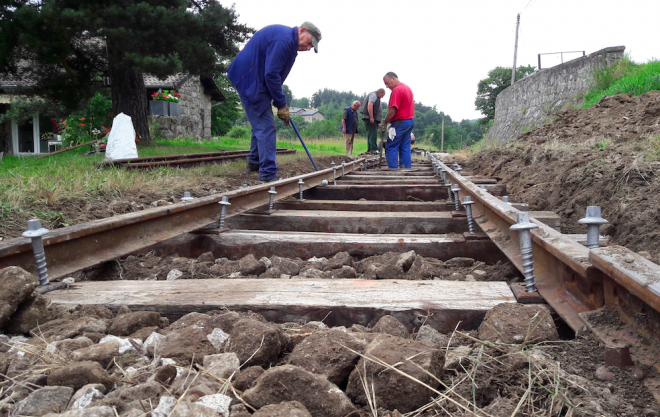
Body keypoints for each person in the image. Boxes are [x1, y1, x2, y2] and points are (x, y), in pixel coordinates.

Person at [228, 22, 322, 181]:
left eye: (311, 47)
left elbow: (273, 74)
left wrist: (278, 102)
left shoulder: (288, 42)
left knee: (260, 124)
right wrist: (281, 104)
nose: (308, 48)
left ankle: (254, 164)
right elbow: (271, 75)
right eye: (309, 43)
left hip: (255, 79)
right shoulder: (284, 40)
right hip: (251, 79)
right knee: (266, 126)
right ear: (302, 30)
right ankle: (268, 174)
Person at [381, 72, 414, 169]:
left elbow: (392, 110)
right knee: (405, 147)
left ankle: (393, 172)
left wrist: (385, 122)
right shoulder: (407, 88)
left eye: (387, 83)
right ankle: (406, 170)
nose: (386, 86)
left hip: (399, 123)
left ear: (393, 78)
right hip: (409, 121)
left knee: (391, 146)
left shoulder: (397, 90)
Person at [359, 88, 386, 153]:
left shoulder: (375, 96)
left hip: (370, 118)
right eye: (383, 95)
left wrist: (376, 123)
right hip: (369, 117)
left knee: (370, 133)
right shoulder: (374, 95)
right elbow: (370, 105)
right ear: (380, 92)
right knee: (373, 134)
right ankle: (373, 150)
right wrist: (371, 117)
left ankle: (370, 150)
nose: (382, 97)